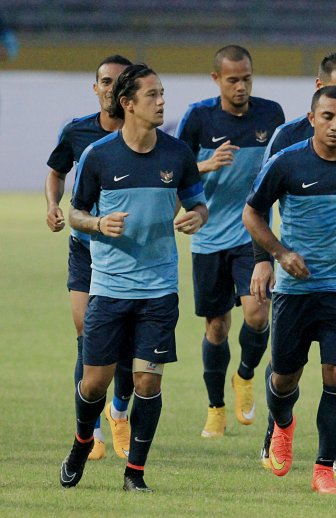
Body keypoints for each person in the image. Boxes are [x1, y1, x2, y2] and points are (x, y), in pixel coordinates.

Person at [60, 64, 208, 492]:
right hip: (109, 288)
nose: (161, 102)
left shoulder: (177, 154)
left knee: (147, 381)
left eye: (162, 93)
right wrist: (97, 224)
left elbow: (198, 204)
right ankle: (82, 442)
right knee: (94, 384)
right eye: (152, 95)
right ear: (127, 103)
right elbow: (76, 213)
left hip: (159, 289)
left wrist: (197, 217)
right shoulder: (99, 155)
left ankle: (135, 473)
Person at [243, 86, 336, 494]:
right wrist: (278, 254)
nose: (335, 125)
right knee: (283, 381)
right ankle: (283, 423)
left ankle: (324, 467)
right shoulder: (286, 163)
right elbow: (252, 212)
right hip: (295, 290)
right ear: (312, 119)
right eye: (327, 116)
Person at [176, 45, 285, 438]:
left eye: (247, 79)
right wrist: (206, 164)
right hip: (208, 238)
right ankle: (215, 408)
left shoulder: (271, 115)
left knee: (258, 315)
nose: (241, 86)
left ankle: (245, 375)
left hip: (252, 235)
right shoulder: (198, 117)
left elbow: (281, 168)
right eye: (233, 80)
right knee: (217, 328)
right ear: (216, 79)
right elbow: (173, 169)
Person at [45, 55, 135, 461]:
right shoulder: (77, 132)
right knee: (87, 333)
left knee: (128, 343)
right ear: (95, 87)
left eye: (119, 81)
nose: (111, 88)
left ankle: (119, 412)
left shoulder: (141, 136)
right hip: (85, 247)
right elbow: (56, 171)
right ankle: (91, 429)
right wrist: (53, 205)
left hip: (127, 254)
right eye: (105, 81)